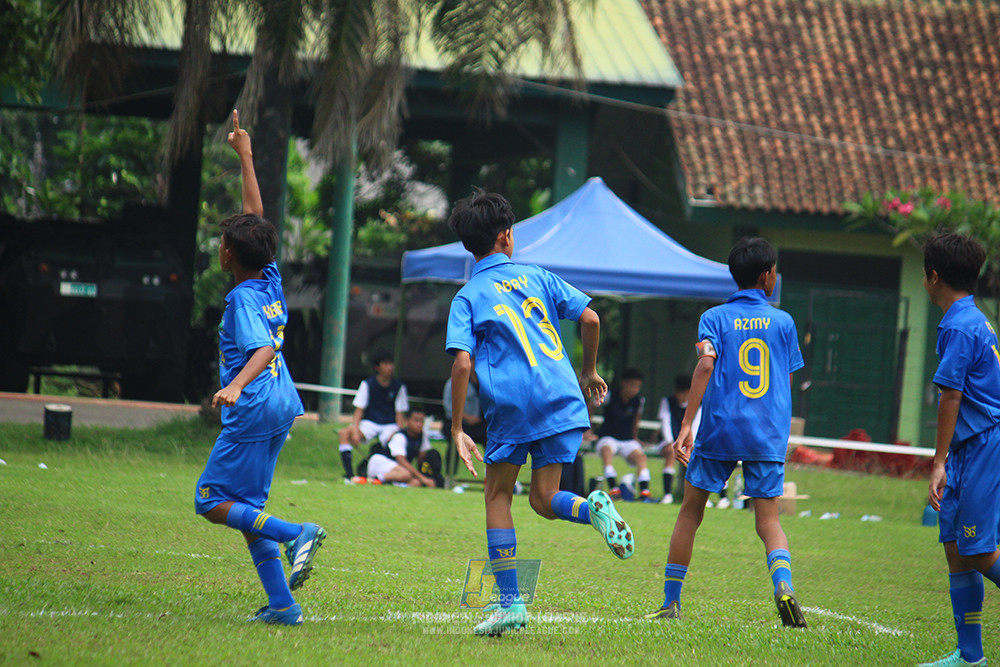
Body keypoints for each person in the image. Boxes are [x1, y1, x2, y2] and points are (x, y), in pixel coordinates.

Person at [445, 190, 634, 637]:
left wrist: (456, 427)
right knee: (543, 498)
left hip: (513, 404)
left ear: (468, 245)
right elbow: (590, 319)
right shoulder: (537, 276)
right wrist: (588, 372)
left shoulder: (468, 295)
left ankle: (510, 604)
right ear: (507, 235)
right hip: (563, 397)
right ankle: (592, 511)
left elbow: (462, 362)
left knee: (498, 496)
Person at [194, 110, 325, 627]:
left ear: (227, 255)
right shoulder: (268, 275)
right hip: (280, 404)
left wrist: (232, 387)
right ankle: (282, 606)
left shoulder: (242, 300)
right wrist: (245, 156)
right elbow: (256, 217)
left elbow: (262, 351)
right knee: (250, 512)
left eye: (224, 243)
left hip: (252, 404)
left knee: (210, 500)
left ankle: (299, 533)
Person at [645, 236, 806, 627]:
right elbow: (784, 379)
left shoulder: (714, 318)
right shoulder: (784, 322)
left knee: (690, 513)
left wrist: (686, 425)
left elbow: (705, 366)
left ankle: (671, 602)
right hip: (765, 433)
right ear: (768, 276)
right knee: (768, 521)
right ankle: (783, 587)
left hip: (720, 430)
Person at [919, 233, 1000, 667]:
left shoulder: (957, 324)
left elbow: (950, 399)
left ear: (933, 277)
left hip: (984, 443)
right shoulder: (971, 317)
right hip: (972, 446)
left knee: (978, 550)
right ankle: (970, 657)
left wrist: (938, 463)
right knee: (955, 546)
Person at [338, 350, 409, 478]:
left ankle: (388, 473)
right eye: (386, 364)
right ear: (377, 367)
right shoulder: (368, 384)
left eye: (391, 364)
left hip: (389, 425)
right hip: (370, 423)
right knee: (344, 433)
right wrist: (354, 430)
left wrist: (399, 431)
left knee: (397, 440)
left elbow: (400, 414)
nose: (390, 367)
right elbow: (359, 410)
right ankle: (349, 474)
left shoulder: (399, 387)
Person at [595, 368, 653, 501]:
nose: (635, 389)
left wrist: (635, 437)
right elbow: (591, 407)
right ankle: (613, 489)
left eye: (638, 386)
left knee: (641, 457)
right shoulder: (609, 396)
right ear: (623, 383)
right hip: (608, 437)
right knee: (607, 451)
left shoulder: (639, 401)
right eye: (632, 385)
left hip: (627, 440)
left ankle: (645, 492)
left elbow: (636, 420)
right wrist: (588, 431)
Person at [363, 408, 441, 487]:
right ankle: (376, 479)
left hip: (399, 469)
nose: (419, 424)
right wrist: (423, 478)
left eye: (421, 421)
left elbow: (421, 458)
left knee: (416, 482)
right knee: (406, 474)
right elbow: (401, 461)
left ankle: (394, 485)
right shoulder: (400, 436)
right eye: (416, 421)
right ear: (407, 421)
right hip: (381, 462)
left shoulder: (422, 437)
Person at [657, 373, 701, 505]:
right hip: (669, 441)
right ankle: (667, 494)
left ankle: (694, 496)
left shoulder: (699, 404)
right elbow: (666, 423)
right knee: (671, 452)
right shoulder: (667, 402)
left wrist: (687, 443)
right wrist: (672, 442)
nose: (679, 395)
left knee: (694, 455)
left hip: (689, 442)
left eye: (683, 392)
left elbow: (695, 425)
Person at [443, 368, 487, 445]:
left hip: (477, 424)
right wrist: (468, 418)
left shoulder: (479, 382)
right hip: (458, 423)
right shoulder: (454, 382)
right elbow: (449, 408)